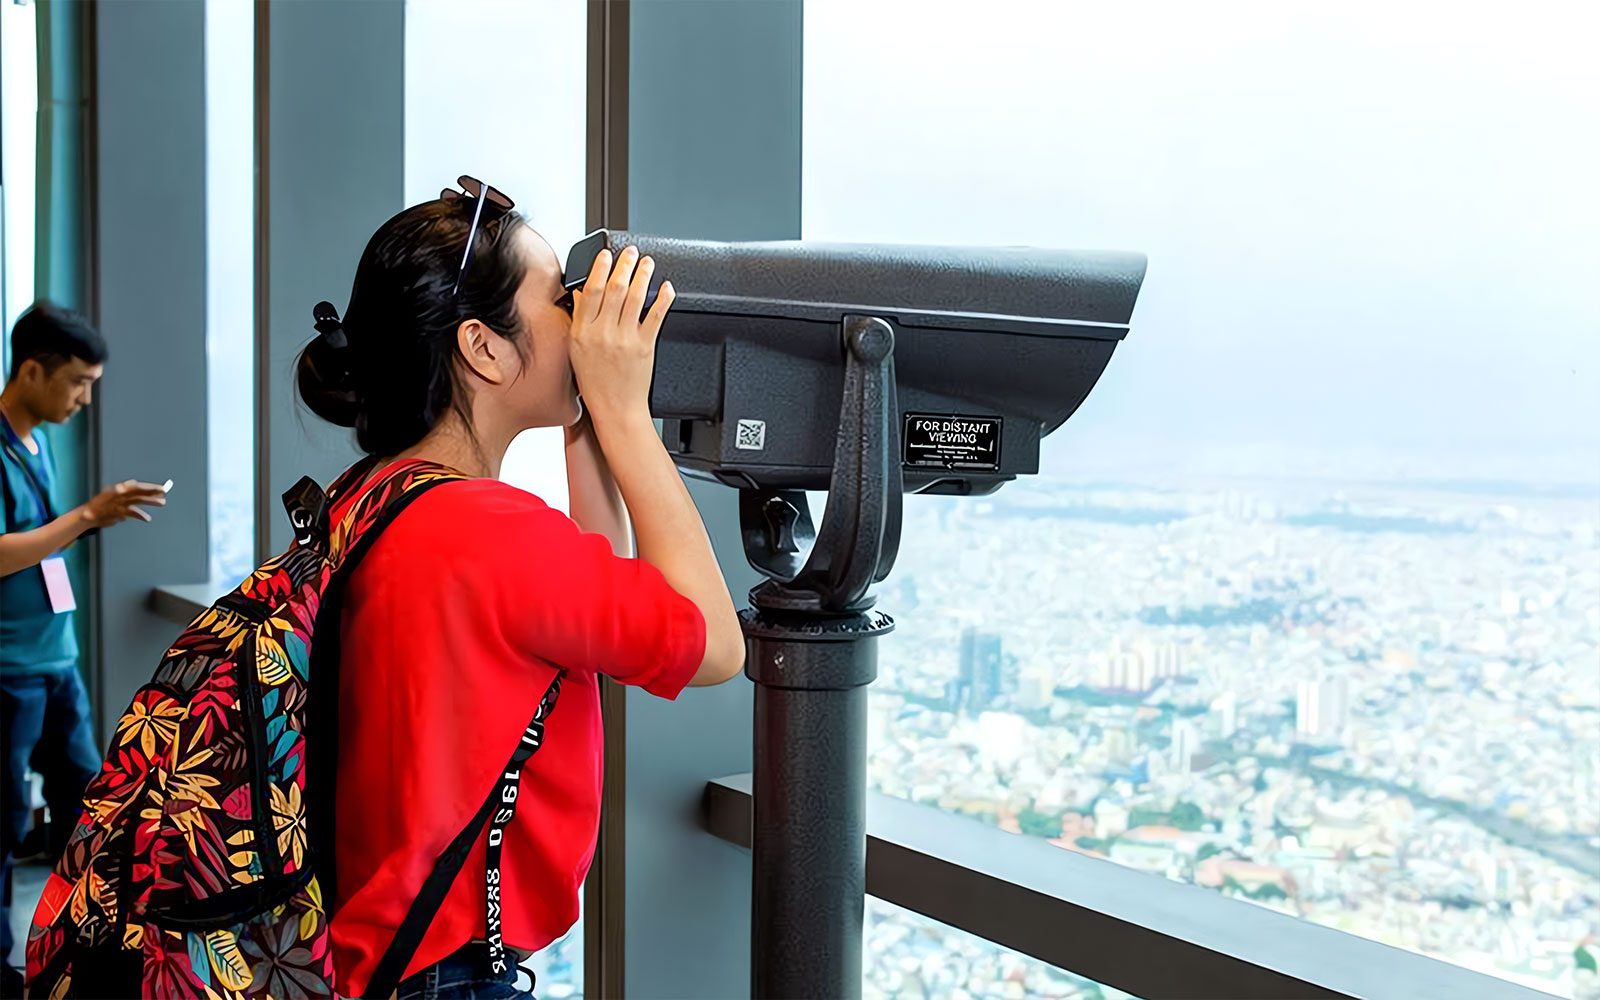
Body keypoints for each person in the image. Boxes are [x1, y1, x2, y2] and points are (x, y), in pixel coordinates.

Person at [296, 180, 745, 1000]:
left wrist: (590, 420)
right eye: (556, 299)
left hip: (378, 954)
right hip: (449, 975)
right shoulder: (486, 530)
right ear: (484, 347)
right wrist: (628, 417)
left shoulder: (378, 495)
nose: (580, 321)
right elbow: (714, 645)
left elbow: (596, 613)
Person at [0, 301, 168, 995]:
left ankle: (81, 947)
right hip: (9, 669)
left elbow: (43, 537)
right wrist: (84, 516)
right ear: (31, 369)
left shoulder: (39, 440)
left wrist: (93, 517)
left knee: (90, 809)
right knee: (7, 821)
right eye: (76, 381)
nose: (84, 397)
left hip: (56, 659)